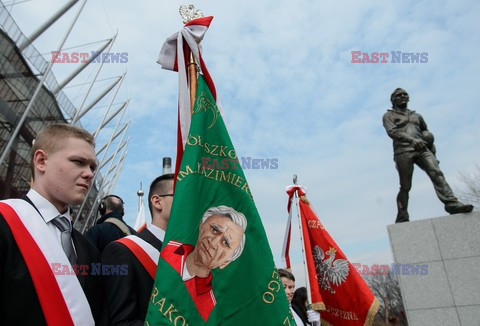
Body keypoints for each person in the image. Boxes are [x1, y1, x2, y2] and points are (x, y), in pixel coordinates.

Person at [0, 123, 106, 325]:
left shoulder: (89, 250)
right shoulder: (5, 221)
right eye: (78, 162)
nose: (90, 174)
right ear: (41, 161)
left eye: (92, 166)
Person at [383, 88, 473, 223]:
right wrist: (411, 140)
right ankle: (402, 215)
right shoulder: (388, 116)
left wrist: (433, 153)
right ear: (393, 100)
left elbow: (426, 133)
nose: (403, 96)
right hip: (403, 151)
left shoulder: (416, 116)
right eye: (399, 95)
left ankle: (452, 204)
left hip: (423, 149)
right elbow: (392, 132)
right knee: (406, 186)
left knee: (436, 173)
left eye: (405, 94)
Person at [101, 173, 174, 325]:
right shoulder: (122, 251)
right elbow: (121, 322)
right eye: (182, 195)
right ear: (157, 202)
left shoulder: (190, 255)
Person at [161, 205, 247, 322]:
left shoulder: (210, 308)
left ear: (226, 262)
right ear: (201, 225)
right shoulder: (164, 250)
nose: (214, 243)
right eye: (215, 230)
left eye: (225, 243)